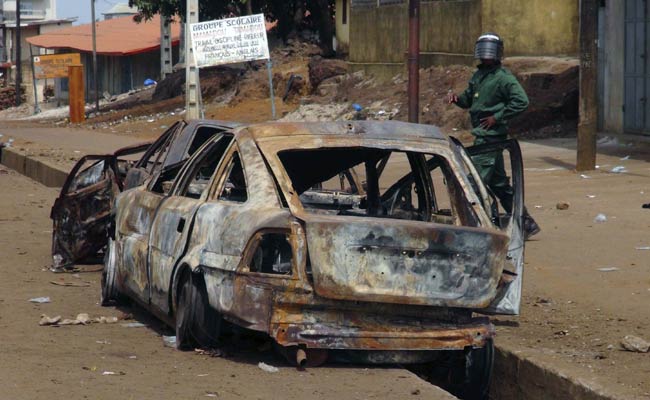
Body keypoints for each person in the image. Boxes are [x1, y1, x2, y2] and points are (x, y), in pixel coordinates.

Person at [447, 32, 540, 239]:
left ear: (497, 53)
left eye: (490, 50)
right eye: (483, 50)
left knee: (474, 182)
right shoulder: (478, 76)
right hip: (482, 137)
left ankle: (473, 225)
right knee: (499, 185)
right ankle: (526, 223)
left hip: (491, 138)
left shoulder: (504, 78)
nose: (485, 55)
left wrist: (497, 118)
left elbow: (521, 102)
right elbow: (468, 100)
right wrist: (456, 99)